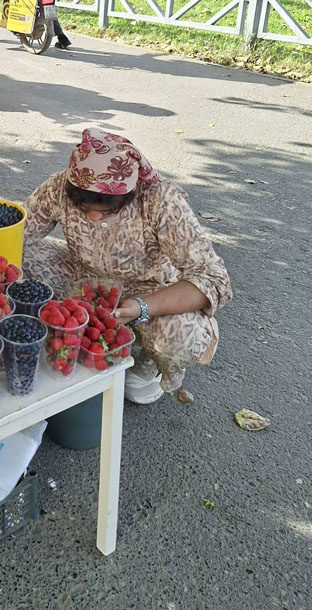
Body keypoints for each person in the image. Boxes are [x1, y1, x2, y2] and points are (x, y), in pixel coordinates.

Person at [23, 128, 232, 404]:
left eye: (106, 209)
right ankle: (64, 333)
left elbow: (213, 279)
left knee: (181, 334)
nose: (95, 217)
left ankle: (148, 361)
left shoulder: (161, 201)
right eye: (85, 208)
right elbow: (17, 230)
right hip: (82, 275)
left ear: (129, 193)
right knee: (12, 256)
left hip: (149, 289)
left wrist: (140, 307)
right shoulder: (57, 188)